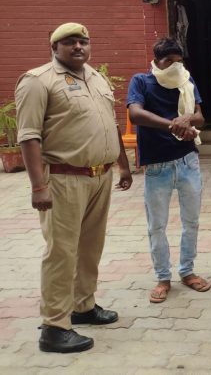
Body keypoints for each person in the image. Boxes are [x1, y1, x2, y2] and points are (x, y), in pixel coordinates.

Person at [15, 22, 132, 353]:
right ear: (54, 47)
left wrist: (122, 164)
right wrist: (38, 186)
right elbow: (29, 136)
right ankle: (54, 327)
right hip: (63, 179)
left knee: (90, 247)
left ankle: (83, 306)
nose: (78, 46)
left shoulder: (96, 78)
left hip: (99, 177)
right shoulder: (38, 81)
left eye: (83, 41)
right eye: (69, 42)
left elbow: (109, 124)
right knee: (61, 252)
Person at [127, 37, 210, 304]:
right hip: (157, 165)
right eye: (169, 61)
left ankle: (187, 271)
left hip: (187, 161)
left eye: (179, 61)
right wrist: (173, 125)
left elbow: (200, 117)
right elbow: (135, 114)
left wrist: (187, 118)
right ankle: (163, 278)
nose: (175, 66)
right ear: (156, 61)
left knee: (191, 221)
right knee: (157, 225)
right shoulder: (141, 82)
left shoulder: (186, 80)